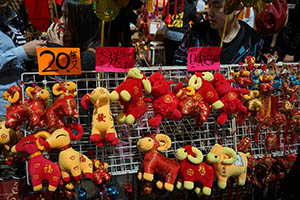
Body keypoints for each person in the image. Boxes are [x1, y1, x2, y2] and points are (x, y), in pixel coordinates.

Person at [174, 0, 264, 65]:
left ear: (237, 8)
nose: (210, 12)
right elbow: (179, 67)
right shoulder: (195, 35)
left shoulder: (253, 41)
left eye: (217, 6)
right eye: (209, 5)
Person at [0, 0, 46, 120]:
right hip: (4, 106)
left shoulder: (12, 17)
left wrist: (38, 43)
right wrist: (23, 51)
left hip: (22, 101)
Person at [47, 0, 101, 70]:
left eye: (66, 16)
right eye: (61, 15)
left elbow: (63, 77)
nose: (61, 21)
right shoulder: (79, 41)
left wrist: (56, 48)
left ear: (82, 19)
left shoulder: (93, 54)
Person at [164, 0, 201, 65]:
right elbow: (195, 20)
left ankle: (168, 72)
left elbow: (164, 16)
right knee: (179, 59)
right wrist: (201, 17)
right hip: (181, 34)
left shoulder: (172, 2)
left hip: (169, 32)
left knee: (169, 58)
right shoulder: (189, 4)